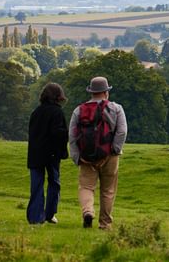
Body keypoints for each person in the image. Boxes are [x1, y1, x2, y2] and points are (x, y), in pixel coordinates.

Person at [69, 76, 127, 229]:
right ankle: (105, 224)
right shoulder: (116, 108)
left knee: (86, 187)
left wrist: (77, 157)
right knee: (108, 190)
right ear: (106, 92)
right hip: (110, 157)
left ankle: (88, 211)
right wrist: (114, 149)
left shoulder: (79, 110)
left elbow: (72, 136)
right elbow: (122, 131)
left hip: (86, 157)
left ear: (91, 92)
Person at [27, 83, 69, 224]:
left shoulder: (36, 112)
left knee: (36, 185)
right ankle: (50, 213)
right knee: (54, 183)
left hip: (35, 154)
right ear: (58, 97)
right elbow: (58, 134)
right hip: (52, 154)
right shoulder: (57, 112)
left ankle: (35, 217)